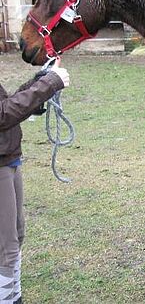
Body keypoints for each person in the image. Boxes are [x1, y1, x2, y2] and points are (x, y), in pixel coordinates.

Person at [0, 59, 70, 304]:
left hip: (8, 157)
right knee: (5, 248)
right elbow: (3, 115)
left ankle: (14, 297)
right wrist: (48, 84)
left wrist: (39, 82)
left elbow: (6, 104)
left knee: (16, 236)